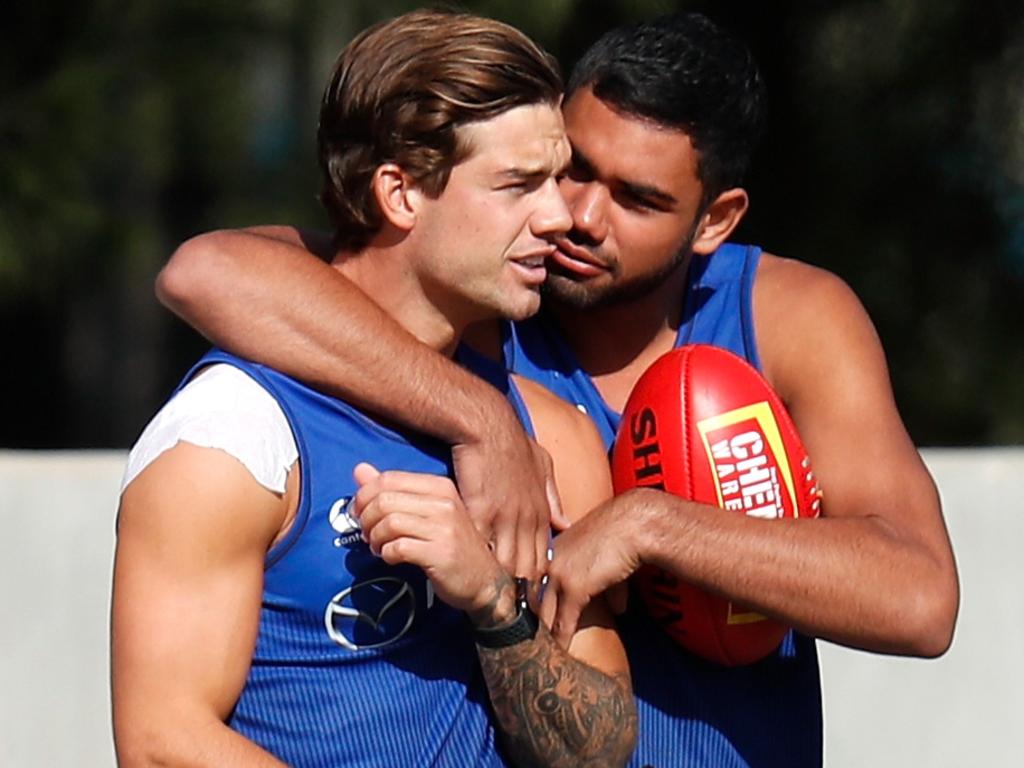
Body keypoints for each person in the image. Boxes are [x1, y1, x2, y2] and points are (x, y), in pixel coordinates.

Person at [157, 11, 960, 767]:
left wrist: (650, 525)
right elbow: (209, 271)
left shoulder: (783, 317)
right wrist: (481, 418)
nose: (574, 215)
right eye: (567, 169)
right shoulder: (483, 299)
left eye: (638, 199)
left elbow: (919, 601)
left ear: (715, 221)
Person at [112, 10, 638, 768]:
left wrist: (495, 603)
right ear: (399, 194)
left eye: (557, 180)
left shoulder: (548, 441)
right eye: (519, 185)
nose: (561, 216)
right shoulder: (235, 430)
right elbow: (164, 745)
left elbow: (600, 753)